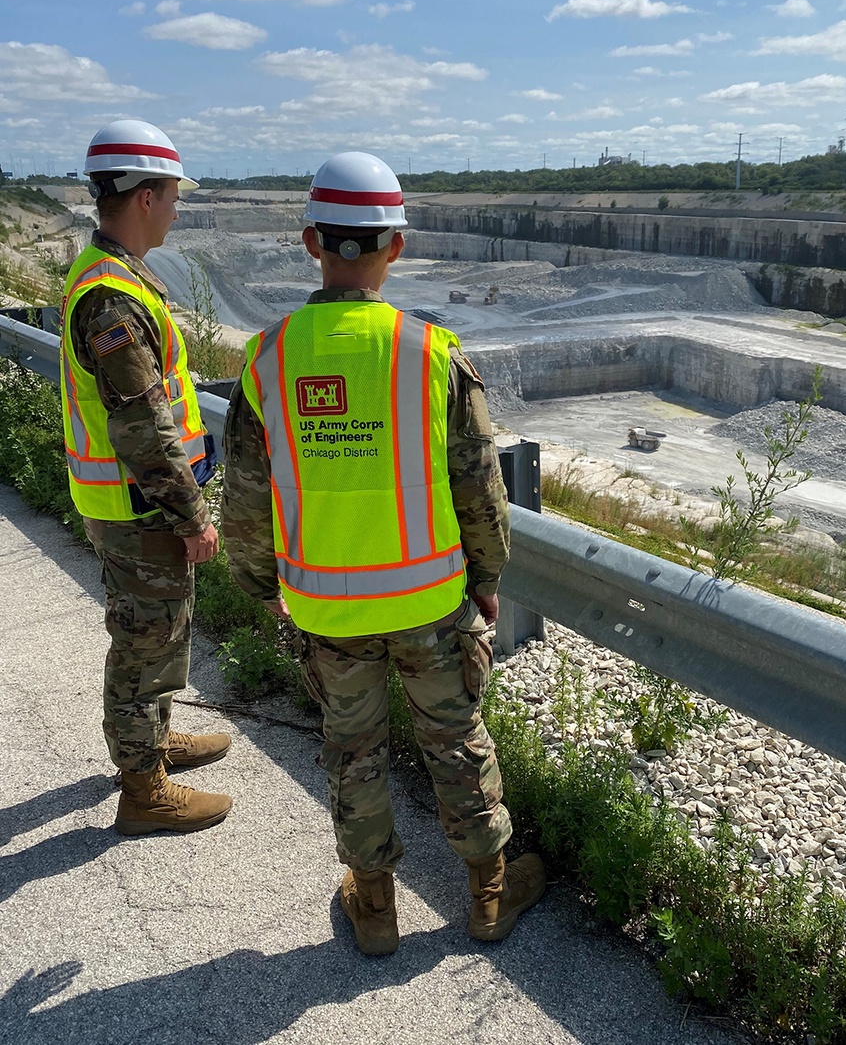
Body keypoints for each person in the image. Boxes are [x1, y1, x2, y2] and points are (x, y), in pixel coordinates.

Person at [221, 152, 544, 954]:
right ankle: (488, 895)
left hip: (328, 612)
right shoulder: (432, 355)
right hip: (431, 603)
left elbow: (246, 504)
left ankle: (375, 909)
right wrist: (489, 582)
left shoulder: (267, 360)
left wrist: (265, 589)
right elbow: (481, 490)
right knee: (458, 741)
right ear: (395, 246)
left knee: (354, 755)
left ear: (310, 242)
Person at [60, 119, 233, 836]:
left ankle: (153, 744)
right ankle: (143, 789)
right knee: (143, 639)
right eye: (171, 195)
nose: (177, 208)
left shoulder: (117, 275)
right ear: (143, 196)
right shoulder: (112, 299)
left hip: (135, 504)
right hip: (140, 507)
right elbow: (142, 426)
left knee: (158, 632)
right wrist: (191, 516)